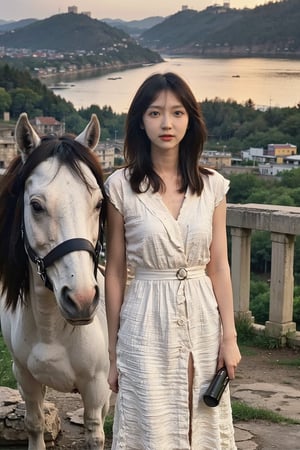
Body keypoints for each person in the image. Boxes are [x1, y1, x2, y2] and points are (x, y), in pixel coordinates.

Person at [104, 72, 241, 450]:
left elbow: (219, 266)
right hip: (144, 317)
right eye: (155, 113)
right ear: (140, 120)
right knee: (148, 422)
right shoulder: (120, 187)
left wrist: (229, 337)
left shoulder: (212, 185)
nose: (166, 123)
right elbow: (114, 272)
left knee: (203, 420)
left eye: (177, 113)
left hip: (202, 315)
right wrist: (113, 354)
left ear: (190, 120)